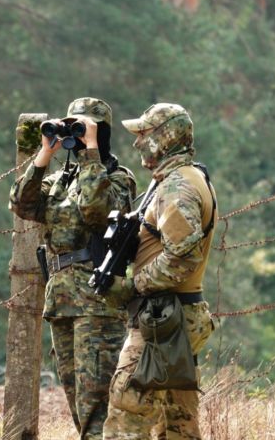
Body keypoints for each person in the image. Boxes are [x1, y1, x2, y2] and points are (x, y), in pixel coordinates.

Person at [9, 97, 137, 440]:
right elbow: (22, 204)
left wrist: (91, 152)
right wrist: (45, 153)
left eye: (83, 129)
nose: (76, 137)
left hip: (97, 302)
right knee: (78, 407)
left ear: (101, 133)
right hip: (62, 301)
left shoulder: (117, 178)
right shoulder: (60, 180)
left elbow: (97, 212)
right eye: (73, 129)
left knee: (97, 408)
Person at [102, 103, 218, 440]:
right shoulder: (186, 178)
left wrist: (133, 286)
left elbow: (182, 259)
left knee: (127, 413)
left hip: (165, 319)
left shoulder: (177, 187)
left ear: (165, 138)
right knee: (177, 422)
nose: (137, 142)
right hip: (176, 315)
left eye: (144, 134)